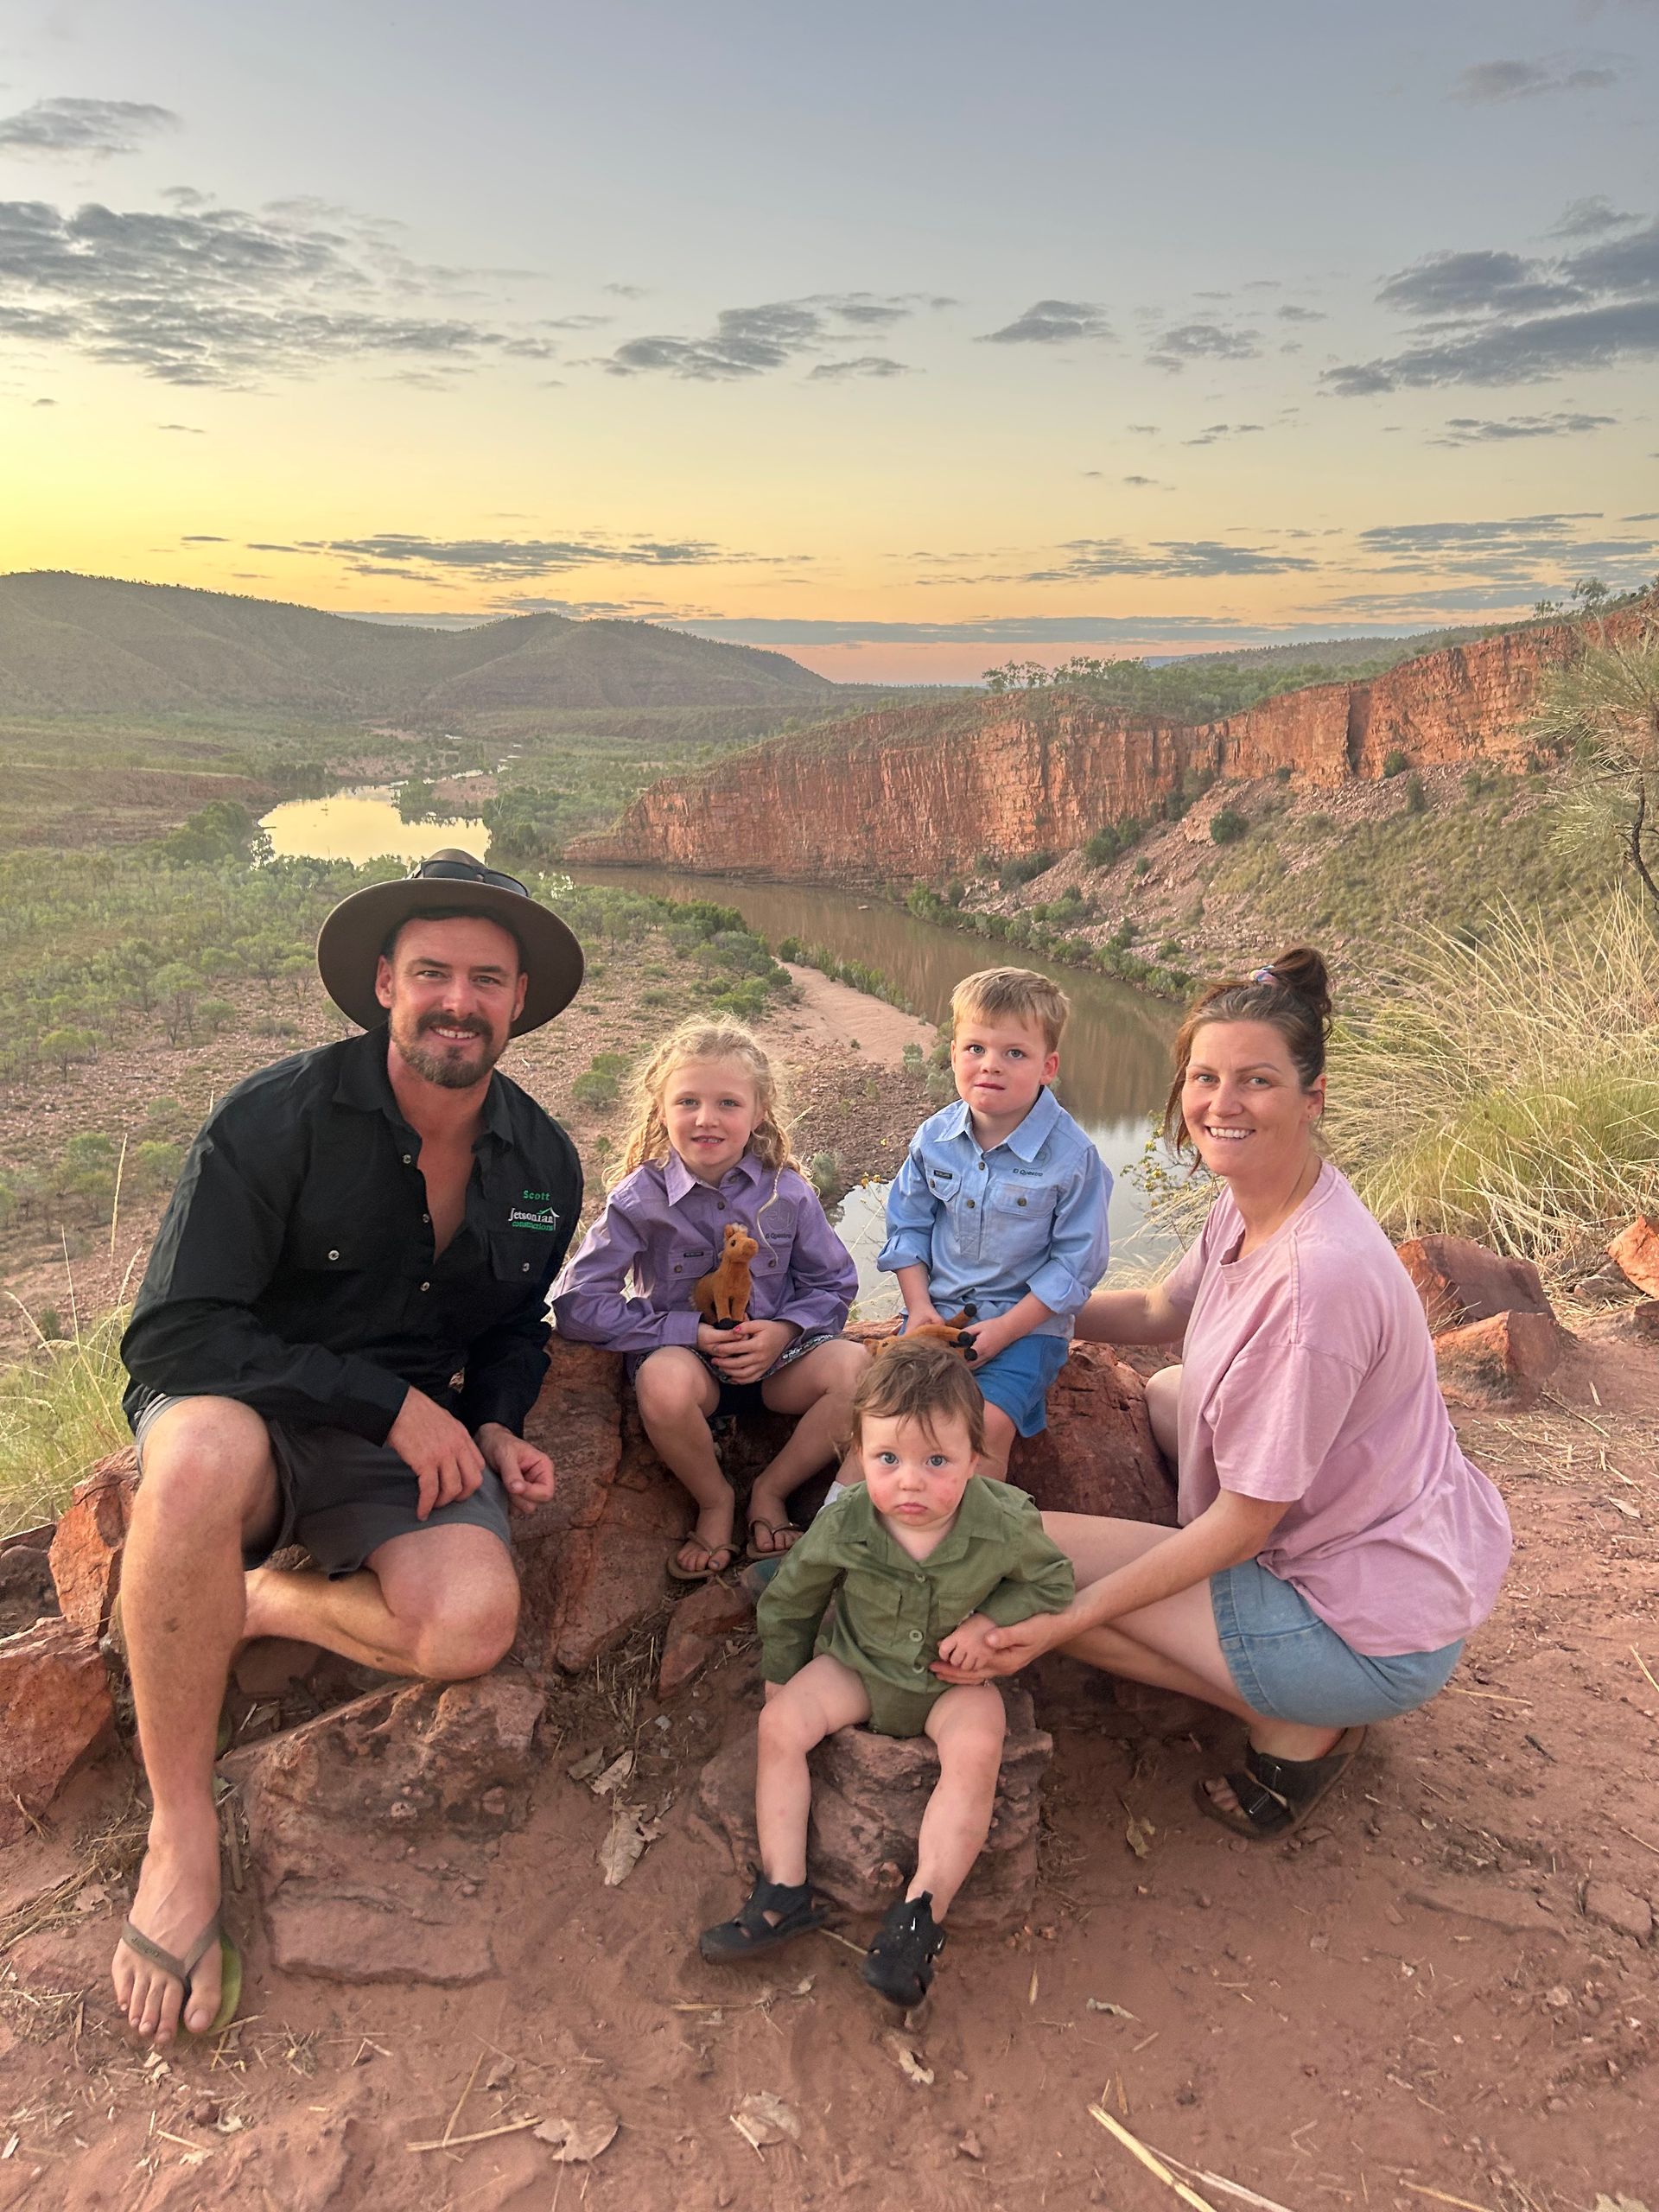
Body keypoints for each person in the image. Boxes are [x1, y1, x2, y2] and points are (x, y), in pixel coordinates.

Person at [113, 850, 585, 2046]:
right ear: (383, 984)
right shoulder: (276, 1120)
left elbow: (515, 1325)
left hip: (404, 1448)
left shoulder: (542, 1164)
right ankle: (180, 1831)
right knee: (195, 1461)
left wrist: (494, 1419)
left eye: (486, 980)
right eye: (432, 972)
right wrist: (379, 1402)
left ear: (518, 1000)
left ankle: (262, 1598)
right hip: (261, 1418)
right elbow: (177, 1332)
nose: (457, 1002)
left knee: (472, 1625)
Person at [931, 948, 1512, 1840]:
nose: (1221, 1103)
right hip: (1391, 1545)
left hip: (1359, 1624)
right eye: (1205, 1076)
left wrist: (1067, 1622)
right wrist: (1026, 1309)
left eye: (1256, 1081)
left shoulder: (1314, 1287)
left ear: (1311, 1097)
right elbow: (1166, 1306)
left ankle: (1299, 1721)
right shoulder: (1261, 1197)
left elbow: (1244, 1525)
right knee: (1173, 1389)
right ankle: (1278, 1685)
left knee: (1020, 1562)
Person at [698, 1341, 1074, 2005]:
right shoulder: (845, 1521)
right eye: (887, 1459)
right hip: (859, 1664)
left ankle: (919, 1914)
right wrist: (783, 1678)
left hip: (948, 1682)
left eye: (937, 1461)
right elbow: (793, 1599)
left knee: (980, 1742)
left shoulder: (1005, 1520)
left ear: (973, 1456)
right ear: (861, 1454)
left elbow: (1051, 1582)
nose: (910, 1482)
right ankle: (784, 1890)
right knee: (781, 1725)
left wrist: (990, 1624)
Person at [552, 1019, 867, 1576]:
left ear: (759, 1112)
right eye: (688, 1101)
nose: (706, 1118)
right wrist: (680, 1331)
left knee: (855, 1367)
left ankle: (771, 1490)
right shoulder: (640, 1198)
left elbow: (834, 1283)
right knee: (662, 1382)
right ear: (662, 1109)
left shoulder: (786, 1192)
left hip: (777, 1368)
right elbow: (577, 1302)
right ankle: (716, 1500)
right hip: (691, 1370)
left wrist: (784, 1332)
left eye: (727, 1102)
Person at [876, 966, 1110, 1480]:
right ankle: (837, 1540)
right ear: (954, 1052)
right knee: (887, 1422)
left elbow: (1075, 1269)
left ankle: (973, 1554)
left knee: (982, 1430)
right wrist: (918, 1310)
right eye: (975, 1048)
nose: (991, 1066)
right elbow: (908, 1229)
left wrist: (1004, 1331)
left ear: (1048, 1066)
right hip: (934, 1318)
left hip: (1025, 1330)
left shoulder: (1072, 1159)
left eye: (1014, 1053)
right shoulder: (933, 1138)